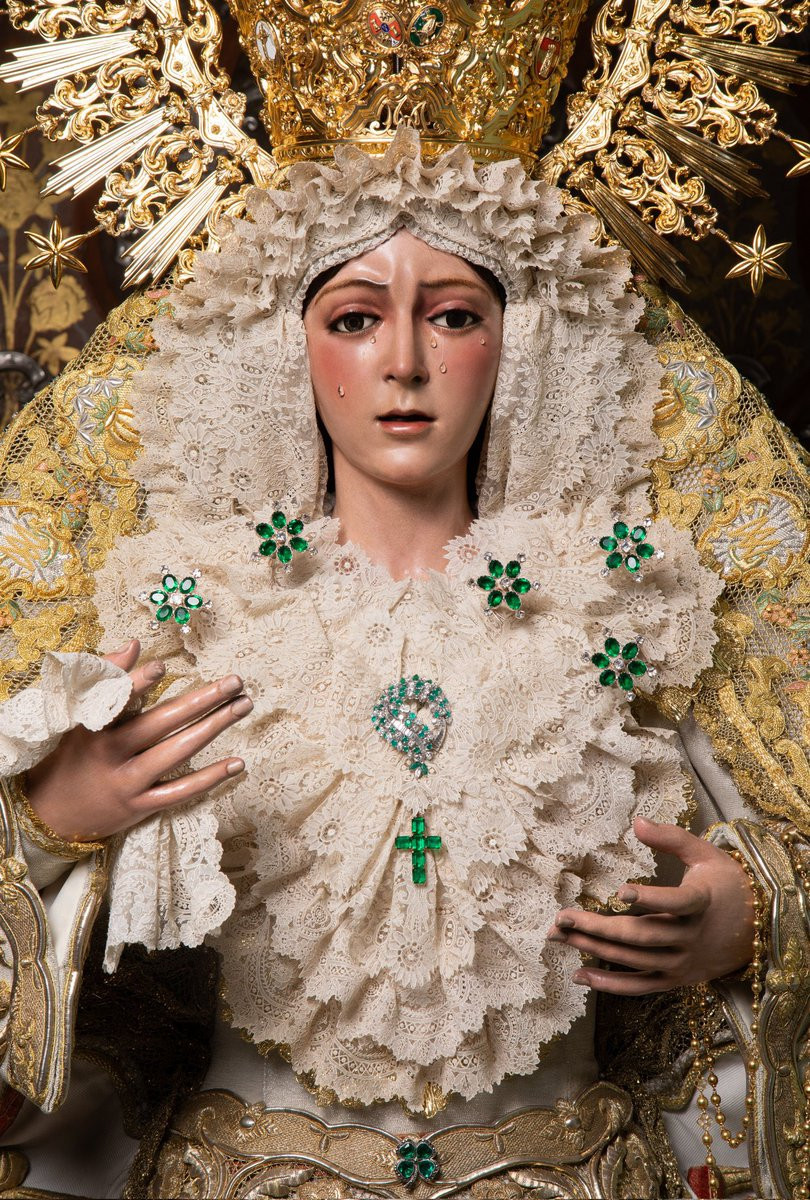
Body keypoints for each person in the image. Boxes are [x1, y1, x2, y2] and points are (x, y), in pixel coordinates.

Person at [0, 129, 807, 1200]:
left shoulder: (624, 601)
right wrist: (50, 827)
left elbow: (782, 828)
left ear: (522, 344)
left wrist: (754, 915)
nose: (405, 364)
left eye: (454, 316)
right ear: (288, 347)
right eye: (355, 319)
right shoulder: (190, 609)